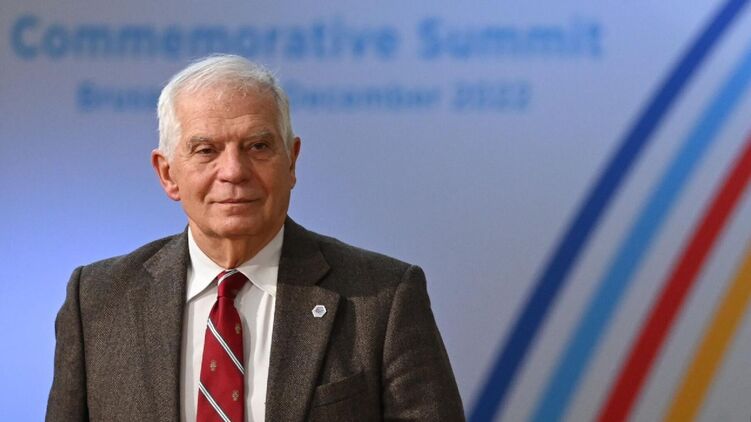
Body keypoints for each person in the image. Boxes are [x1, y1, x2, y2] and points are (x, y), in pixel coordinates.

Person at [46, 54, 464, 421]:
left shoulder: (383, 297)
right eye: (206, 150)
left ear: (291, 162)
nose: (234, 171)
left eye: (258, 146)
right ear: (168, 174)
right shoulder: (97, 300)